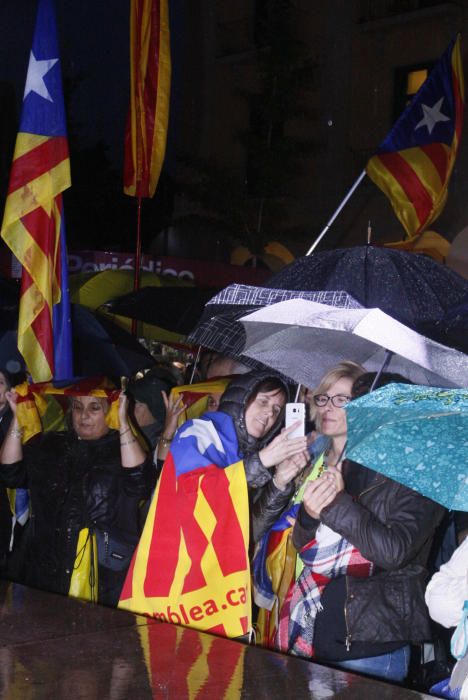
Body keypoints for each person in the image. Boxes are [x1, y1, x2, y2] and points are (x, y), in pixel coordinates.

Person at [283, 371, 445, 683]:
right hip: (319, 629)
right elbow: (304, 545)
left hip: (372, 644)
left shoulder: (422, 475)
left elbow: (394, 552)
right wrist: (310, 514)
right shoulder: (352, 460)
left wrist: (340, 502)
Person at [0, 389, 153, 607]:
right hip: (45, 566)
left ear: (108, 411)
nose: (84, 416)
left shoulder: (122, 448)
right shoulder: (52, 444)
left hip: (101, 571)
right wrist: (17, 419)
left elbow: (139, 482)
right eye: (78, 407)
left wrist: (123, 422)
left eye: (94, 408)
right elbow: (11, 473)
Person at [253, 361, 365, 648]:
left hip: (336, 602)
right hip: (290, 579)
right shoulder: (315, 452)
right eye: (324, 397)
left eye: (341, 399)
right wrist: (282, 482)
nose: (328, 406)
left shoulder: (367, 465)